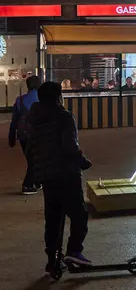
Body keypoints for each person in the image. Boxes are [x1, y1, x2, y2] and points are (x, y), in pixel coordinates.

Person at [25, 81, 92, 273]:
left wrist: (38, 170)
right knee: (79, 214)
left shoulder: (33, 119)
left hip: (47, 175)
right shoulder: (64, 117)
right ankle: (74, 251)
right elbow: (69, 145)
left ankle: (53, 259)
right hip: (66, 173)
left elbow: (30, 149)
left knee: (53, 218)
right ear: (58, 96)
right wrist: (83, 161)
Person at [9, 75, 42, 194]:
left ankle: (37, 182)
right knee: (36, 160)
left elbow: (14, 120)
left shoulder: (20, 100)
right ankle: (28, 185)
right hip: (39, 134)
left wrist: (11, 137)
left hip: (23, 134)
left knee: (31, 159)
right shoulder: (43, 99)